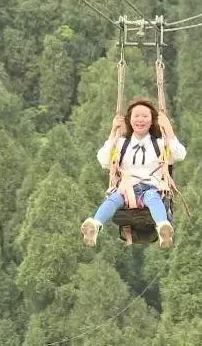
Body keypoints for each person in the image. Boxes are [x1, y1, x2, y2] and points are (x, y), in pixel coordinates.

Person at [80, 98, 187, 248]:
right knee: (114, 199)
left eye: (145, 116)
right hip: (127, 189)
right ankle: (95, 225)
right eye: (136, 116)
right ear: (129, 120)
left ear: (152, 121)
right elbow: (104, 160)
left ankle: (163, 227)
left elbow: (179, 154)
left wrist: (168, 130)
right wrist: (113, 132)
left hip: (151, 187)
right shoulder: (122, 144)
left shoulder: (160, 144)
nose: (140, 120)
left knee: (152, 197)